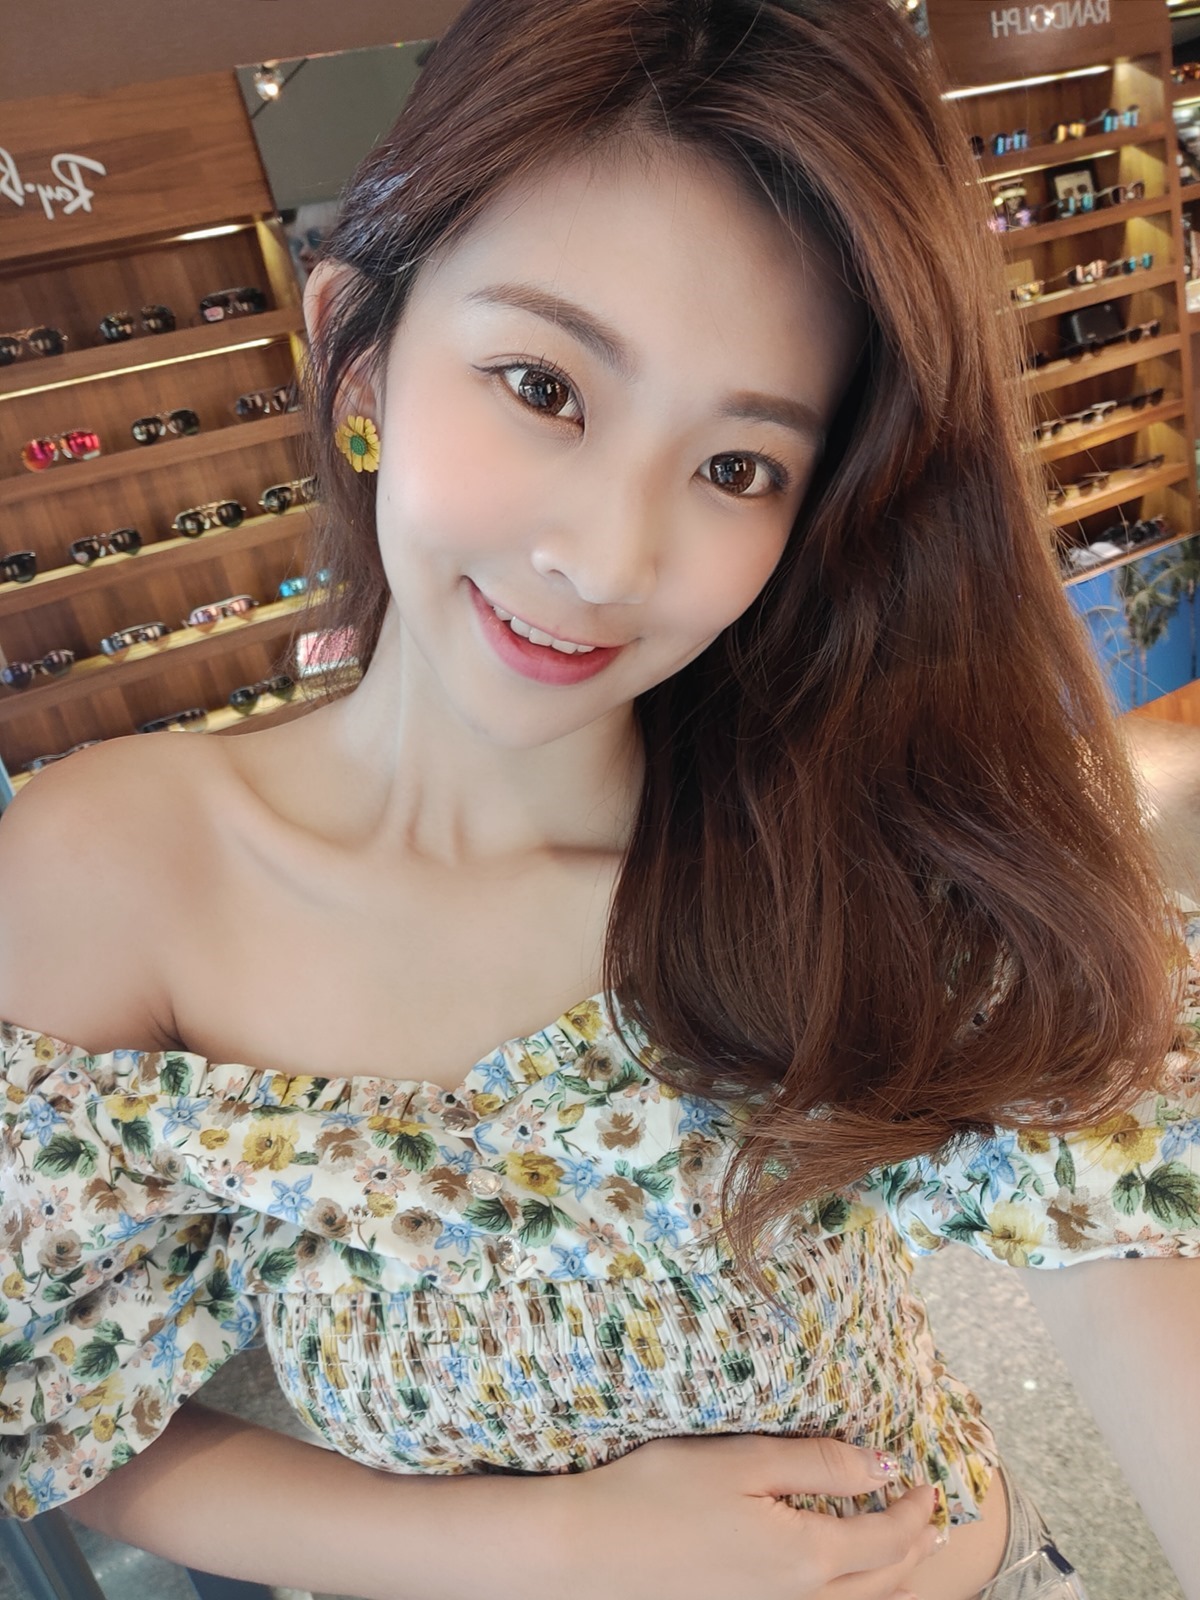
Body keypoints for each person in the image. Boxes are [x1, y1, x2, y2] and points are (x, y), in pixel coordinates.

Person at [0, 2, 1197, 1598]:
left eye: (737, 468)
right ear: (358, 350)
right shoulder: (121, 873)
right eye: (543, 384)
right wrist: (553, 1547)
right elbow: (51, 1399)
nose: (608, 559)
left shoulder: (848, 837)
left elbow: (1129, 1225)